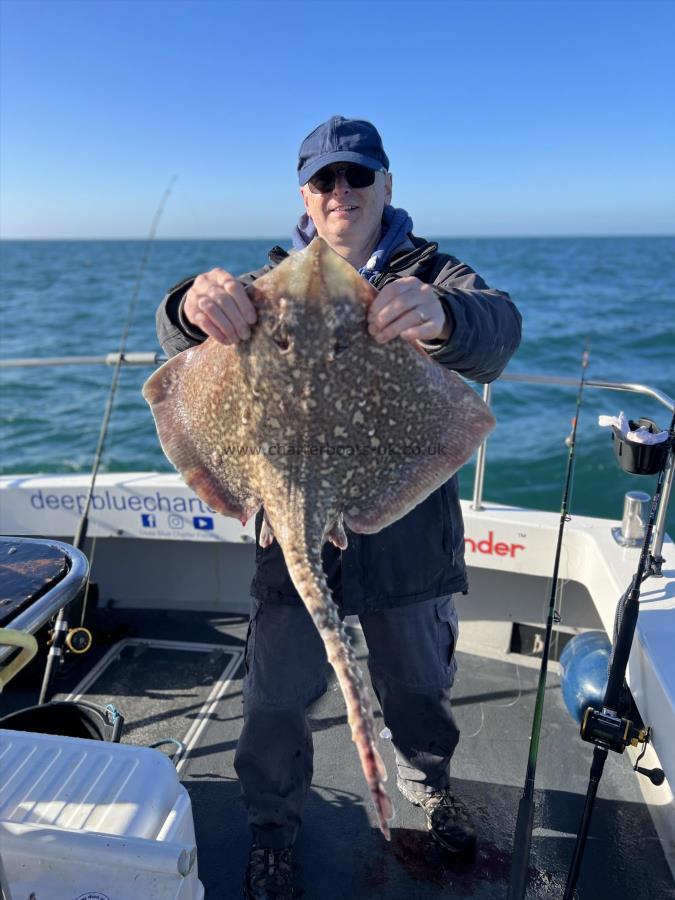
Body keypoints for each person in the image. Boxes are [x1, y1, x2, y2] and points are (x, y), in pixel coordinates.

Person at [156, 115, 521, 899]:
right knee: (275, 699)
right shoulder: (264, 287)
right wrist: (190, 302)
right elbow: (177, 347)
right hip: (283, 527)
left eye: (358, 175)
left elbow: (496, 331)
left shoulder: (433, 272)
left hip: (407, 534)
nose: (341, 191)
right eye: (325, 178)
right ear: (304, 194)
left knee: (418, 684)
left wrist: (444, 317)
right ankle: (271, 831)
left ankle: (429, 783)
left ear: (387, 185)